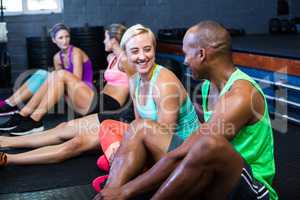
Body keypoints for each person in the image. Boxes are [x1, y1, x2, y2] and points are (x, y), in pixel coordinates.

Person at [95, 21, 278, 200]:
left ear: (201, 54)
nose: (185, 61)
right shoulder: (208, 86)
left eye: (186, 54)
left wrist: (128, 190)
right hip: (212, 174)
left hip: (251, 188)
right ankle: (108, 193)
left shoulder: (241, 95)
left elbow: (189, 150)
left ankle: (122, 193)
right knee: (140, 127)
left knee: (207, 144)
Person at [0, 24, 135, 167]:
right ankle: (22, 120)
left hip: (109, 104)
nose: (103, 41)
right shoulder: (111, 58)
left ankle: (32, 119)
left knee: (61, 75)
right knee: (54, 79)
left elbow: (135, 86)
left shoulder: (125, 60)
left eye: (106, 38)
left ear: (114, 40)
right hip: (97, 99)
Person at [89, 24, 200, 192]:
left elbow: (162, 137)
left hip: (183, 154)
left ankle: (117, 185)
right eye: (135, 51)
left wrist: (127, 162)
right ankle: (127, 170)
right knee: (107, 127)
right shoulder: (135, 79)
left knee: (117, 159)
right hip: (153, 141)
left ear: (154, 50)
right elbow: (138, 125)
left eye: (147, 49)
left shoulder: (164, 83)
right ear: (125, 54)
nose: (142, 56)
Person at [0, 23, 95, 135]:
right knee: (43, 74)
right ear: (54, 40)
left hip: (85, 95)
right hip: (70, 98)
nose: (65, 40)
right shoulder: (57, 57)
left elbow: (76, 82)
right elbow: (60, 84)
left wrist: (52, 83)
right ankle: (22, 114)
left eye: (67, 36)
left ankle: (20, 111)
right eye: (61, 37)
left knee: (53, 75)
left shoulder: (76, 53)